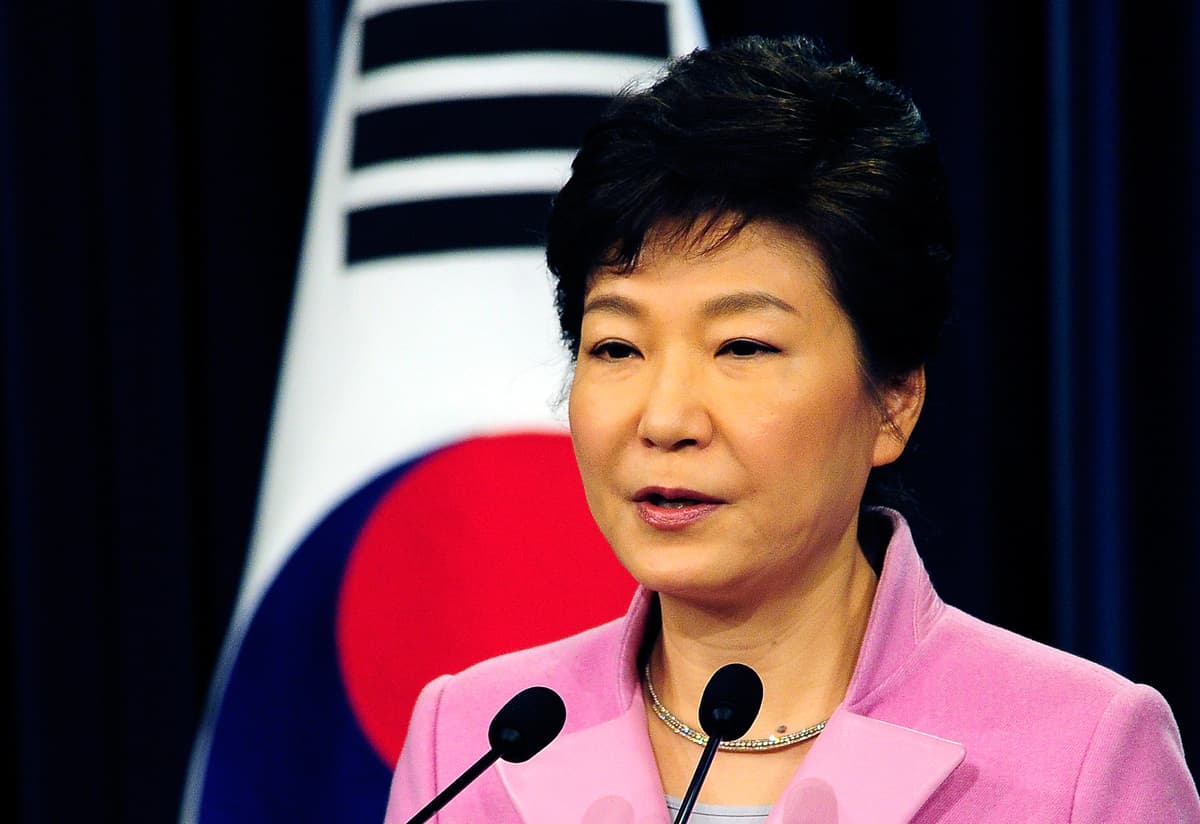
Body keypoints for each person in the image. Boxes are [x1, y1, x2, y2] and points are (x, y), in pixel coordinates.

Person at [383, 36, 1199, 823]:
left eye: (742, 347)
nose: (665, 420)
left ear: (893, 401)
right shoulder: (474, 742)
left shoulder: (1083, 754)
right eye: (617, 347)